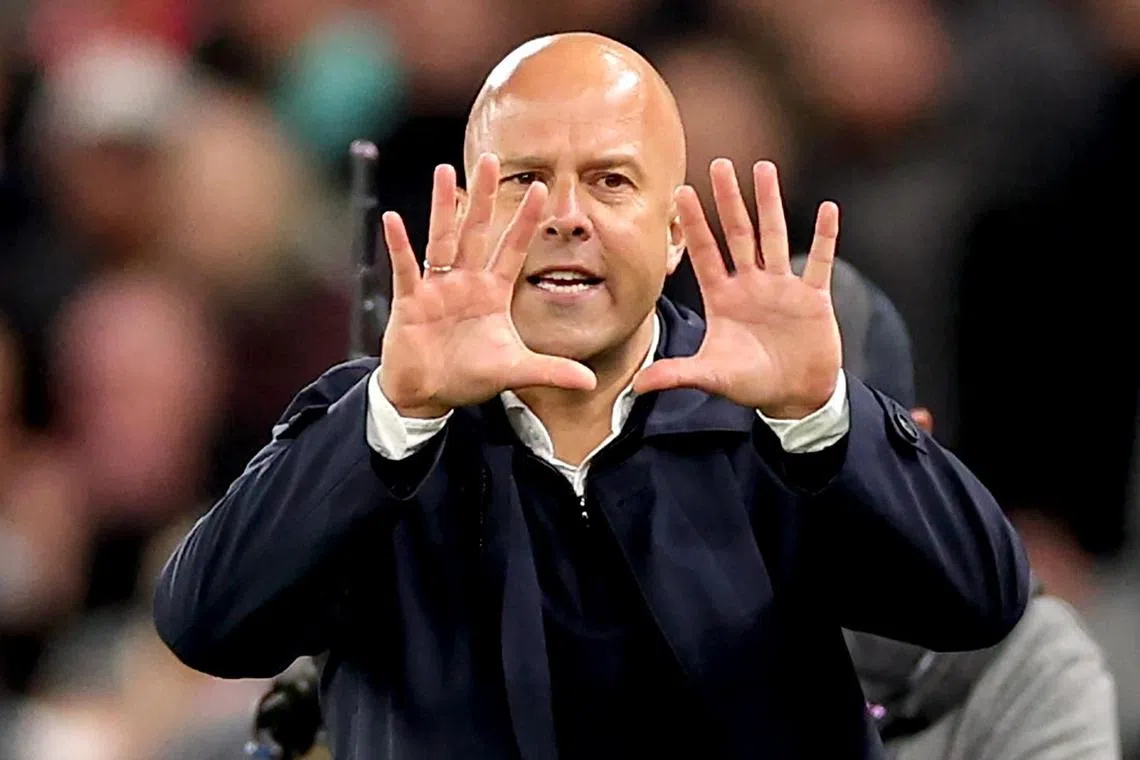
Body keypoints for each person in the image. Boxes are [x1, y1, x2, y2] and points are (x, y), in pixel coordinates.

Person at [153, 33, 1030, 759]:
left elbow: (979, 600)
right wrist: (397, 415)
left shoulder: (771, 420)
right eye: (526, 180)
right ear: (467, 216)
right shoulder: (380, 424)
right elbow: (206, 624)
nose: (565, 214)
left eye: (610, 180)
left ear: (675, 231)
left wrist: (821, 418)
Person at [806, 253, 1119, 760]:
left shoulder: (1029, 659)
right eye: (754, 446)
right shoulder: (670, 621)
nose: (790, 486)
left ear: (914, 447)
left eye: (828, 443)